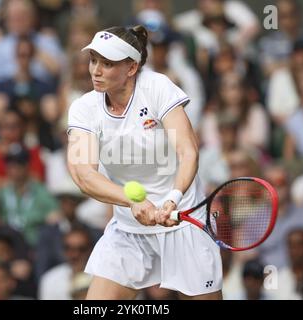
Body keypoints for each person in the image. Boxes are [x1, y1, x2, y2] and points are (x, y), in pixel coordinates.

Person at [67, 25, 222, 299]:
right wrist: (133, 201)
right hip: (128, 230)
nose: (95, 70)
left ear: (131, 67)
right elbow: (83, 175)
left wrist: (172, 199)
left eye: (107, 63)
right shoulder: (84, 108)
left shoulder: (158, 87)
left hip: (184, 221)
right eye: (93, 60)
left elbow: (188, 152)